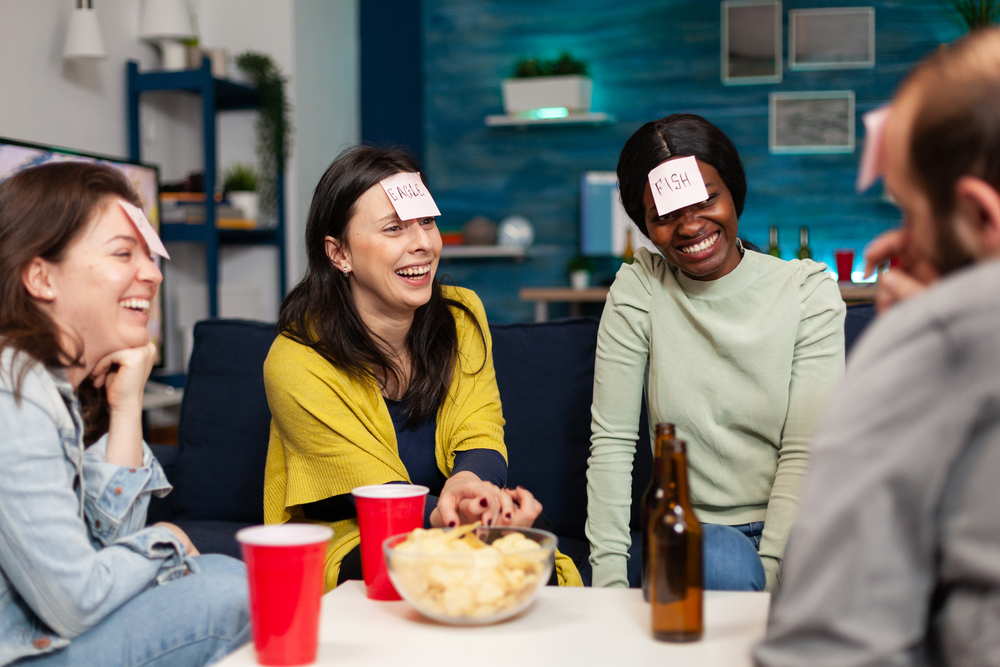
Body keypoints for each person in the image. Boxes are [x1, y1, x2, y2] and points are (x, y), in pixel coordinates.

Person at [754, 27, 1000, 666]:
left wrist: (922, 350)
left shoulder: (935, 345)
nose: (896, 247)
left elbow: (820, 643)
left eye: (911, 214)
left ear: (982, 216)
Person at [262, 146, 582, 590]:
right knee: (469, 562)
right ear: (339, 254)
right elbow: (374, 496)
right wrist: (452, 513)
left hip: (444, 511)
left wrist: (471, 491)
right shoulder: (296, 359)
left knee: (528, 543)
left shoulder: (461, 315)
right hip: (356, 535)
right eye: (394, 228)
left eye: (426, 221)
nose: (423, 244)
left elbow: (480, 429)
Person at [0, 163, 249, 666]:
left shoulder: (45, 388)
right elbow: (76, 600)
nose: (154, 272)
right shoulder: (13, 396)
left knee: (231, 579)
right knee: (231, 595)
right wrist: (169, 541)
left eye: (149, 254)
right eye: (123, 253)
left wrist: (127, 403)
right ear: (41, 276)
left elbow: (108, 546)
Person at [586, 114, 846, 592]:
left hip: (802, 524)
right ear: (645, 224)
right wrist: (607, 585)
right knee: (722, 566)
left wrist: (770, 577)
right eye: (664, 214)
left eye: (706, 200)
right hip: (697, 533)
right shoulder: (640, 289)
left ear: (734, 192)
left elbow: (805, 450)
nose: (689, 226)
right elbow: (613, 443)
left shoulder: (807, 292)